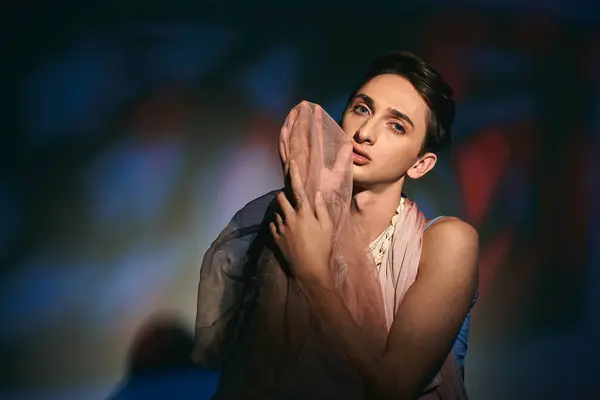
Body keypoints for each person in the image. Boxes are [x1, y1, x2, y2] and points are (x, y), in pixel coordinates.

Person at [193, 51, 479, 399]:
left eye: (396, 126)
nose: (366, 133)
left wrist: (313, 275)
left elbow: (395, 387)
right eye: (362, 109)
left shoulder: (449, 241)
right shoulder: (291, 220)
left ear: (421, 164)